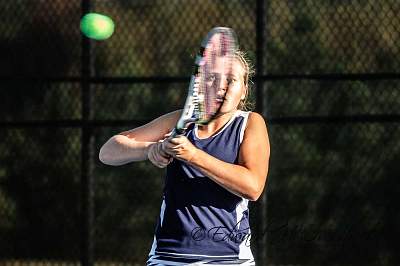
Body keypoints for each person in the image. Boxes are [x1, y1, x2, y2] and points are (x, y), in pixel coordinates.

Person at [99, 50, 270, 265]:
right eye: (213, 78)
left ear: (244, 90)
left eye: (231, 79)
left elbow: (253, 186)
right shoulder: (182, 120)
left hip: (228, 259)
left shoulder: (250, 123)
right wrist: (151, 149)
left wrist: (193, 155)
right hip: (167, 258)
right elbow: (108, 152)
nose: (221, 85)